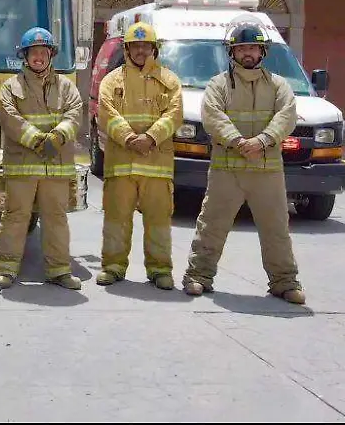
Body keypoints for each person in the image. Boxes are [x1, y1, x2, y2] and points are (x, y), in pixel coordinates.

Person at [182, 23, 307, 305]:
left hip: (267, 172)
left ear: (262, 51)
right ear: (232, 52)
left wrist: (262, 141)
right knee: (212, 224)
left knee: (276, 227)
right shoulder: (219, 84)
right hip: (228, 171)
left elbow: (286, 116)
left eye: (252, 48)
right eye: (241, 48)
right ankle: (198, 276)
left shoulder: (278, 85)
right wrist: (239, 142)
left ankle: (285, 281)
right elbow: (212, 116)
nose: (247, 53)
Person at [94, 22, 183, 289]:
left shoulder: (169, 80)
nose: (141, 51)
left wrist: (151, 137)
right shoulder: (112, 81)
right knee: (116, 220)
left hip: (156, 166)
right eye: (136, 46)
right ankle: (112, 267)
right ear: (127, 48)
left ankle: (159, 270)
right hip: (120, 164)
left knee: (158, 222)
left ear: (154, 49)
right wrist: (130, 138)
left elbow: (175, 114)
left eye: (146, 46)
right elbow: (105, 112)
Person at [0, 27, 84, 290]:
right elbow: (10, 118)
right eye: (33, 52)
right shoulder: (11, 87)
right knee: (15, 217)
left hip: (55, 168)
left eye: (43, 52)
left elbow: (75, 114)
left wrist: (57, 137)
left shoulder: (67, 87)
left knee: (56, 218)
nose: (38, 57)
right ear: (25, 56)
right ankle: (6, 270)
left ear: (51, 55)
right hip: (22, 167)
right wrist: (37, 139)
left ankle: (59, 270)